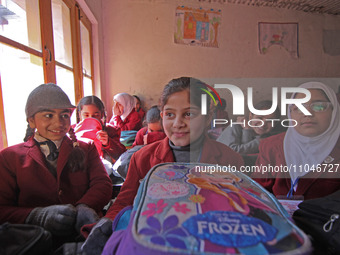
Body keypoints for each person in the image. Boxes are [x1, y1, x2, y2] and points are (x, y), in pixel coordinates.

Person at [82, 77, 244, 254]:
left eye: (189, 114)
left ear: (207, 118)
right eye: (170, 114)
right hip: (156, 242)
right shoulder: (142, 158)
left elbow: (240, 208)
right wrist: (107, 222)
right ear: (162, 116)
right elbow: (125, 201)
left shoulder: (229, 160)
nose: (178, 123)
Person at [0, 84, 112, 248]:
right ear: (31, 120)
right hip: (34, 242)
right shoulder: (9, 157)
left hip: (82, 236)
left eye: (64, 115)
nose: (58, 122)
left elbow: (102, 184)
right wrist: (37, 216)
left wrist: (84, 206)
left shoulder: (86, 148)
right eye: (48, 115)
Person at [253, 81, 340, 200]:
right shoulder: (272, 145)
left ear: (334, 112)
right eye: (298, 108)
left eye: (319, 106)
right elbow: (256, 192)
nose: (307, 113)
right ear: (290, 113)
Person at [74, 96, 126, 164]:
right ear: (80, 115)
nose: (91, 118)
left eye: (96, 115)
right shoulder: (73, 130)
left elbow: (121, 155)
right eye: (86, 115)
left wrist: (107, 143)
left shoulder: (111, 130)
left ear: (102, 115)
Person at [217, 100, 281, 155]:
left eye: (270, 121)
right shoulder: (235, 127)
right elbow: (231, 153)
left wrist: (247, 130)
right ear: (251, 116)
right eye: (259, 118)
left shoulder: (272, 139)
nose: (263, 124)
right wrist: (259, 142)